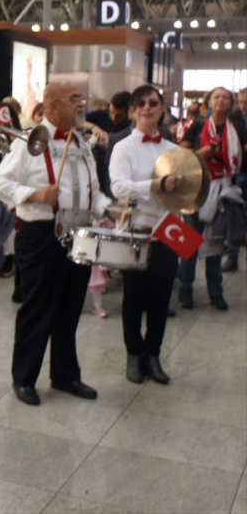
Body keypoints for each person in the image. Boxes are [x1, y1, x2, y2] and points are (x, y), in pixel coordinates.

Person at [0, 83, 113, 407]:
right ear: (51, 105)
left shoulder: (81, 143)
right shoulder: (29, 142)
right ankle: (24, 377)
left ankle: (65, 375)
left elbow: (93, 188)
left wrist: (107, 207)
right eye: (73, 100)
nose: (80, 105)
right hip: (41, 233)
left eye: (80, 98)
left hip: (79, 231)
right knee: (38, 308)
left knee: (71, 305)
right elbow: (0, 183)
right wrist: (35, 195)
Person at [109, 85, 181, 384]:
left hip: (166, 231)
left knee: (161, 297)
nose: (147, 108)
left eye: (153, 103)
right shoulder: (122, 147)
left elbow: (183, 191)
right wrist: (152, 186)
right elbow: (118, 187)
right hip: (135, 231)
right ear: (132, 111)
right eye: (141, 104)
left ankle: (153, 354)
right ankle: (133, 355)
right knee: (133, 297)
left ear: (162, 109)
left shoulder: (172, 149)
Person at [176, 86, 245, 310]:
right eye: (217, 96)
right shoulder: (196, 125)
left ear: (231, 103)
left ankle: (216, 293)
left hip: (223, 189)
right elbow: (180, 156)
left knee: (215, 245)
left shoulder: (238, 127)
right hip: (196, 189)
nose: (221, 100)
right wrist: (201, 154)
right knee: (190, 243)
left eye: (226, 97)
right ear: (209, 101)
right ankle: (185, 290)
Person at [222, 87, 247, 272]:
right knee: (235, 216)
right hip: (238, 173)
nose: (243, 106)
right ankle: (232, 257)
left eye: (246, 102)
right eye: (240, 102)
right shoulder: (233, 120)